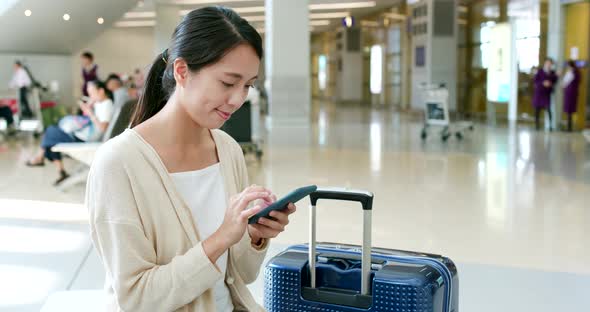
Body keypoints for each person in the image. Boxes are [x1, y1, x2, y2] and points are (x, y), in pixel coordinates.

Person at [86, 7, 295, 311]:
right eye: (227, 83)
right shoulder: (118, 163)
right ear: (182, 71)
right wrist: (222, 237)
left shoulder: (228, 150)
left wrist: (252, 235)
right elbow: (136, 298)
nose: (238, 99)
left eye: (247, 85)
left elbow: (242, 276)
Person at [26, 80, 114, 185]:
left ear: (101, 91)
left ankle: (42, 159)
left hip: (84, 139)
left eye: (91, 93)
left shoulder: (106, 105)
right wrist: (90, 106)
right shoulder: (101, 103)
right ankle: (57, 169)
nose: (90, 96)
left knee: (50, 132)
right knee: (51, 137)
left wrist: (90, 113)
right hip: (82, 135)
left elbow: (103, 127)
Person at [532, 58, 558, 131]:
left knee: (548, 109)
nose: (549, 64)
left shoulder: (552, 72)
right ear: (545, 63)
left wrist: (554, 78)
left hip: (547, 94)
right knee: (537, 110)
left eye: (550, 63)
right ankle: (536, 125)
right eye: (547, 63)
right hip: (539, 93)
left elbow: (554, 81)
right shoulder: (540, 71)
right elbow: (535, 81)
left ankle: (550, 126)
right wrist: (543, 83)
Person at [562, 60, 581, 132]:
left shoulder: (573, 73)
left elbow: (565, 82)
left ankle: (569, 127)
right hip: (569, 93)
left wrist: (564, 85)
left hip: (571, 93)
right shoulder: (574, 72)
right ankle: (568, 126)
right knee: (568, 110)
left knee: (569, 109)